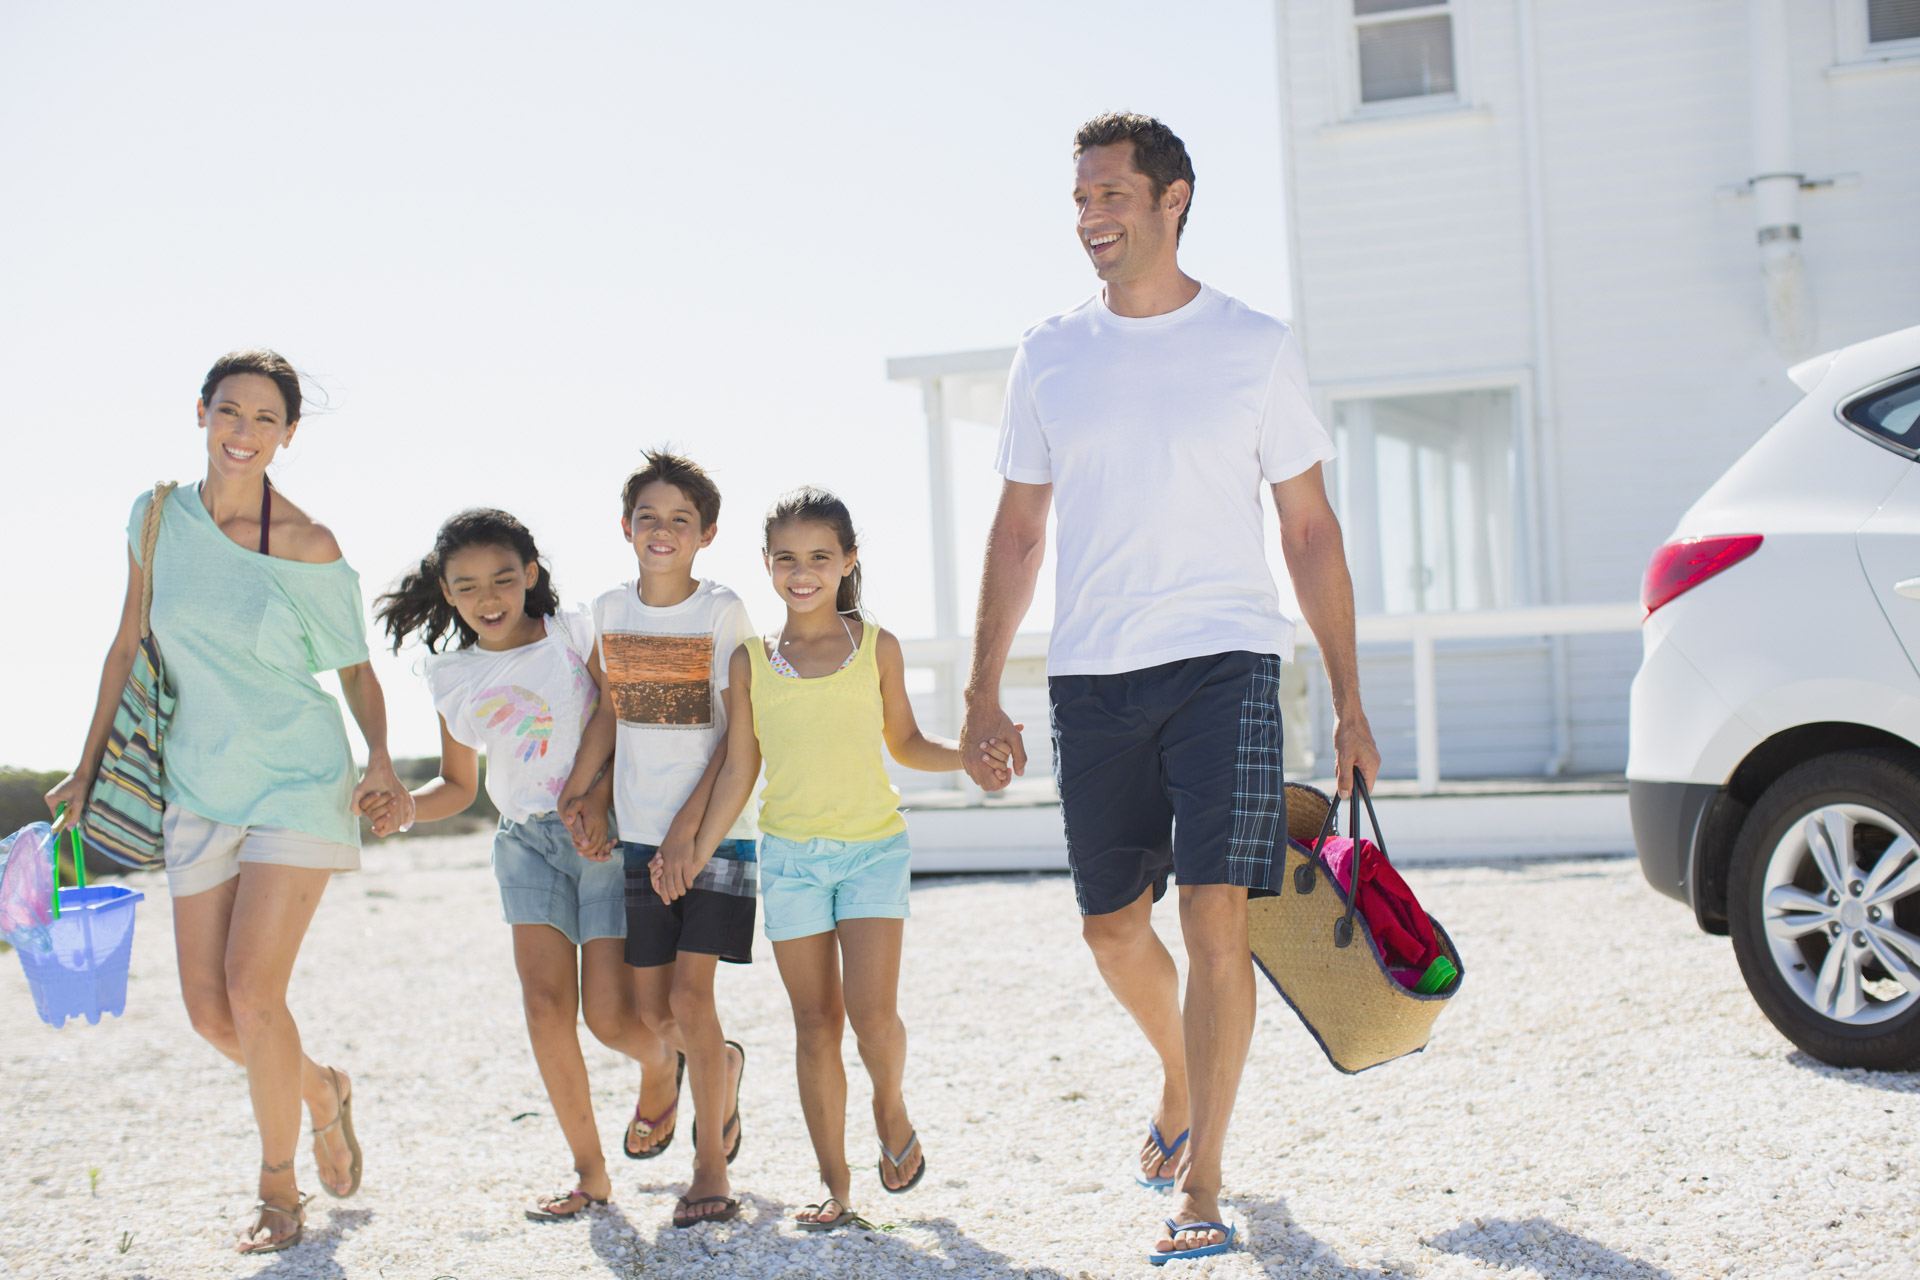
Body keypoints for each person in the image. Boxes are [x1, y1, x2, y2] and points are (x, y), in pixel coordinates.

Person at [959, 113, 1383, 1266]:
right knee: (1109, 927)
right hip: (1094, 670)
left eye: (1112, 195)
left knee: (1214, 913)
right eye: (1081, 199)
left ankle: (1202, 1180)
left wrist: (1347, 697)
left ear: (1173, 197)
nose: (1093, 217)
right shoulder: (1048, 351)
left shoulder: (1254, 344)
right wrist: (984, 686)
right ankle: (1183, 1071)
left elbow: (1308, 525)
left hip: (1227, 662)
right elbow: (1017, 530)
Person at [45, 349, 414, 1254]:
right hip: (195, 783)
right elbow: (127, 644)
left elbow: (358, 671)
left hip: (295, 779)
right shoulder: (156, 517)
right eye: (229, 411)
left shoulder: (307, 543)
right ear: (201, 413)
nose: (243, 432)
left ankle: (278, 1190)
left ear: (288, 436)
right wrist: (84, 770)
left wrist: (378, 759)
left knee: (254, 991)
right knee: (213, 1015)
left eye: (264, 419)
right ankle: (321, 1088)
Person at [680, 487, 998, 1232]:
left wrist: (967, 759)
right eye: (786, 558)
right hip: (788, 858)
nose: (803, 572)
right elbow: (739, 769)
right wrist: (695, 854)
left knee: (872, 1016)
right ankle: (838, 1186)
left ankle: (891, 1106)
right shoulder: (750, 661)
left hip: (871, 853)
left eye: (820, 557)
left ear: (848, 561)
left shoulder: (874, 646)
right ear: (766, 564)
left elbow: (907, 744)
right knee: (814, 1024)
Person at [375, 508, 681, 1221]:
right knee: (546, 1010)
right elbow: (458, 786)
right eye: (469, 585)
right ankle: (590, 1173)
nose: (489, 598)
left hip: (601, 837)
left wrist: (600, 797)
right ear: (447, 592)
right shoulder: (450, 676)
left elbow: (625, 711)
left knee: (610, 1017)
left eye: (504, 579)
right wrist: (406, 810)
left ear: (531, 576)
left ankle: (670, 1061)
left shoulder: (574, 634)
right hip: (525, 846)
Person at [557, 452, 755, 1230]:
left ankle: (711, 1164)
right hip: (638, 839)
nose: (662, 531)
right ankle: (724, 1067)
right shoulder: (608, 609)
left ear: (706, 533)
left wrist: (689, 837)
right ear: (626, 527)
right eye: (649, 517)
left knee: (689, 997)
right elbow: (610, 707)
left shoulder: (722, 612)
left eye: (680, 520)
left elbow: (741, 739)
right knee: (656, 1018)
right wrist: (582, 787)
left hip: (715, 839)